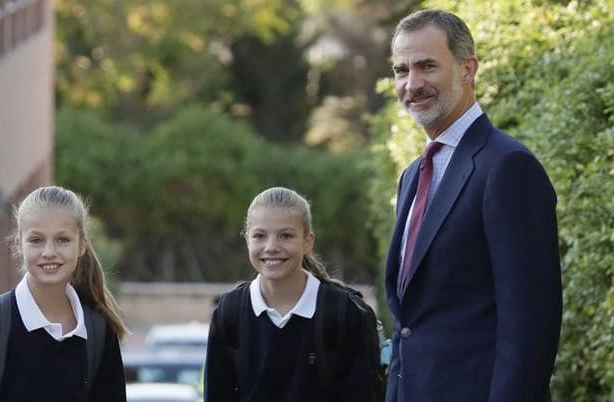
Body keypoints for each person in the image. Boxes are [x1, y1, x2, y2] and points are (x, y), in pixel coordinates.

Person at [385, 9, 562, 402]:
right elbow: (409, 324)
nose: (412, 83)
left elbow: (531, 327)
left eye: (427, 66)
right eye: (401, 70)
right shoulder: (412, 175)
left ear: (468, 69)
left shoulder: (508, 167)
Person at [0, 185, 128, 402]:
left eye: (63, 240)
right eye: (36, 240)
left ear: (82, 245)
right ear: (19, 244)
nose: (49, 252)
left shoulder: (98, 332)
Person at [205, 187, 382, 402]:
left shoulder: (347, 313)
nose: (271, 247)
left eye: (286, 236)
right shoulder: (229, 313)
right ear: (247, 240)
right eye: (260, 236)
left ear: (308, 242)